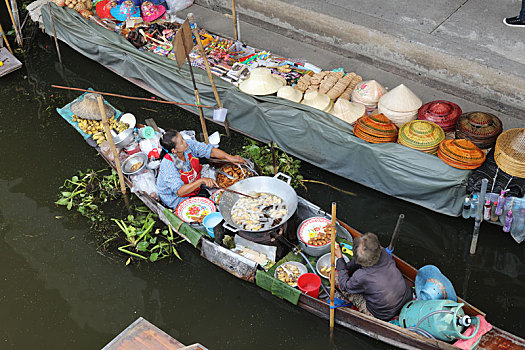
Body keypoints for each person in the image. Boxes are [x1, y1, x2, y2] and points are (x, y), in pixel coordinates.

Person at [156, 129, 245, 209]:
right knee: (207, 207)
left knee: (221, 184)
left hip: (193, 180)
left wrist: (229, 157)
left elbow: (209, 151)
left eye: (183, 138)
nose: (185, 142)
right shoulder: (168, 164)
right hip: (176, 197)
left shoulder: (188, 146)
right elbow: (180, 191)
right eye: (182, 142)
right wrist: (201, 181)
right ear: (173, 150)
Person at [334, 232, 412, 321]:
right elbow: (358, 261)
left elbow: (345, 286)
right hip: (406, 296)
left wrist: (340, 259)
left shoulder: (361, 276)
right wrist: (345, 266)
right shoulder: (383, 252)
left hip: (383, 314)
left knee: (335, 277)